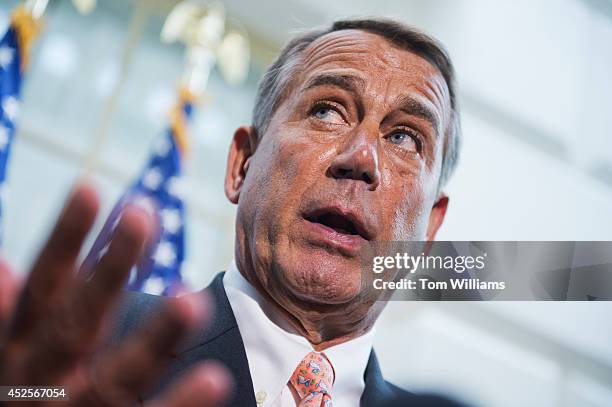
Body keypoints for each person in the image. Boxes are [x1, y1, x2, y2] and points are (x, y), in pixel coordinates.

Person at [0, 18, 463, 406]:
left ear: (426, 235)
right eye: (327, 111)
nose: (361, 158)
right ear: (241, 164)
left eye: (405, 137)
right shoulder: (83, 352)